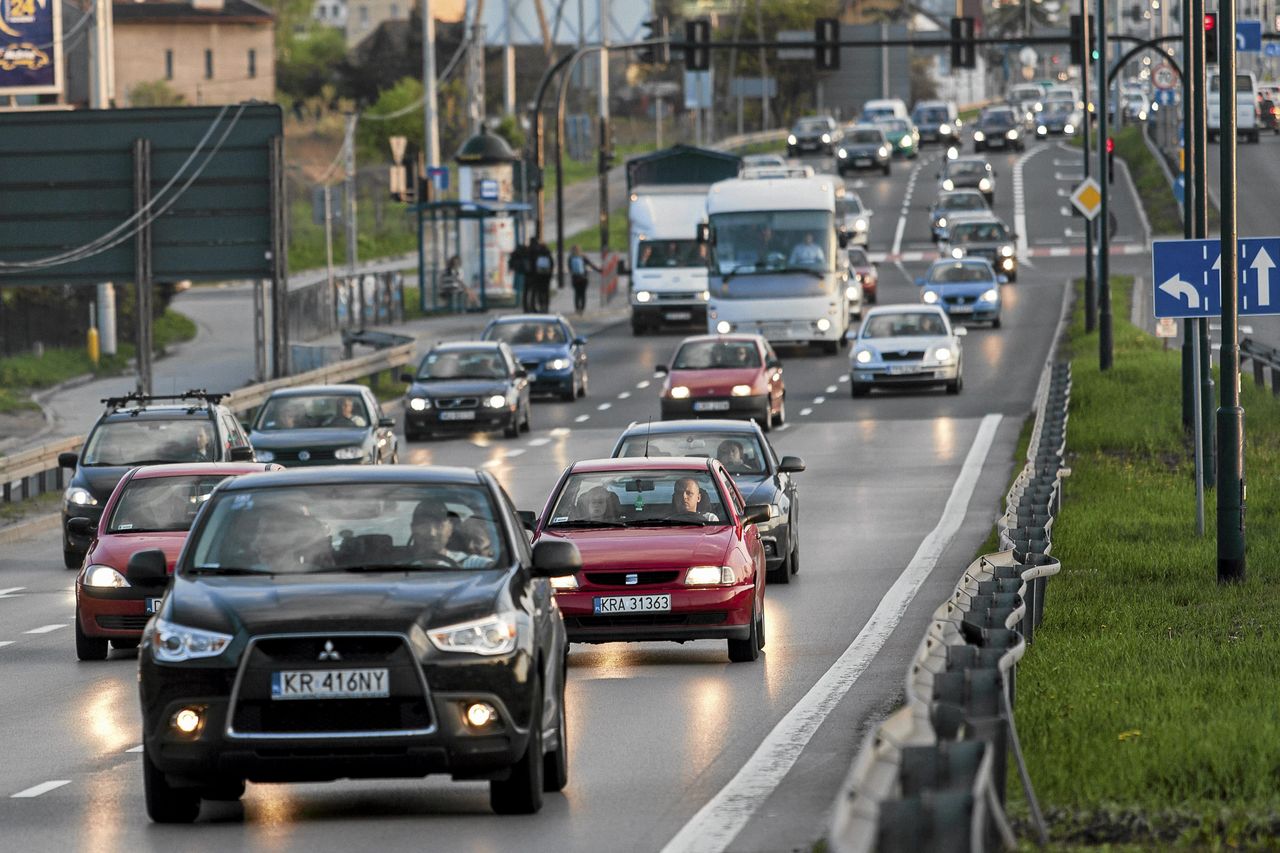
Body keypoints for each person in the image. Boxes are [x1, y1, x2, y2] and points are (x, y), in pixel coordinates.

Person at [409, 502, 466, 566]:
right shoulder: (400, 568)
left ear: (450, 529)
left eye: (439, 525)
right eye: (424, 526)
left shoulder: (469, 563)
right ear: (413, 529)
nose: (432, 533)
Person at [568, 245, 600, 315]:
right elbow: (591, 265)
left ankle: (577, 308)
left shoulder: (570, 258)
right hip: (584, 278)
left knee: (577, 293)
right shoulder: (583, 257)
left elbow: (570, 269)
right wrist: (599, 270)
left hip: (575, 278)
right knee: (583, 294)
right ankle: (582, 309)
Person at [530, 236, 554, 312]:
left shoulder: (537, 254)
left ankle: (541, 305)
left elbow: (534, 264)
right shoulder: (548, 253)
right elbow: (552, 264)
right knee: (546, 291)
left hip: (539, 275)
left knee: (540, 291)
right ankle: (546, 306)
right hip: (547, 276)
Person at [509, 240, 532, 312]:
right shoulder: (527, 253)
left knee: (525, 291)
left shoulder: (519, 255)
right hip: (527, 274)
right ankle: (527, 306)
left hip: (521, 273)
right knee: (527, 291)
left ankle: (525, 307)